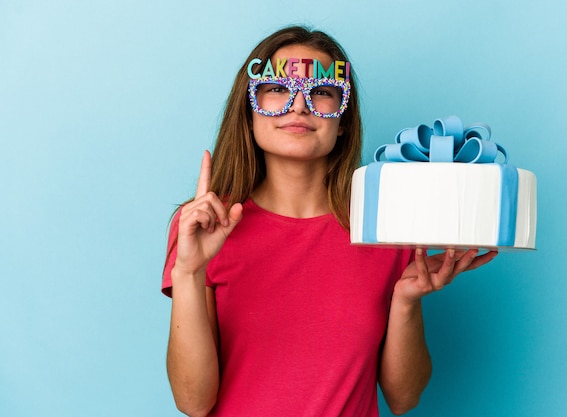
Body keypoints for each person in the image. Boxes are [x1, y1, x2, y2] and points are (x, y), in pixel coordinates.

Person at [162, 25, 497, 417]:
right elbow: (193, 402)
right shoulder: (203, 228)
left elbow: (403, 399)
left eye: (321, 92)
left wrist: (405, 302)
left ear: (343, 121)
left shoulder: (386, 225)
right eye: (278, 89)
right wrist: (188, 272)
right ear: (250, 110)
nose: (299, 105)